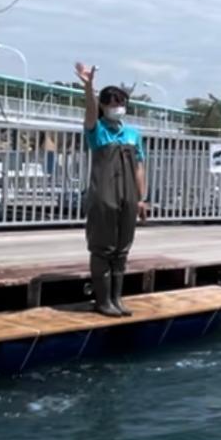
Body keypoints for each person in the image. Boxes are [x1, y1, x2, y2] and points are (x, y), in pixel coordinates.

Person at [75, 63, 149, 316]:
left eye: (121, 102)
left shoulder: (132, 134)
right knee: (102, 247)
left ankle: (117, 298)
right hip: (104, 195)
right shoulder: (96, 131)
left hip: (128, 195)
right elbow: (89, 113)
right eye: (112, 103)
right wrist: (88, 87)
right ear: (103, 106)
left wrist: (141, 198)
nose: (117, 107)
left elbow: (139, 167)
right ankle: (103, 300)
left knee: (122, 248)